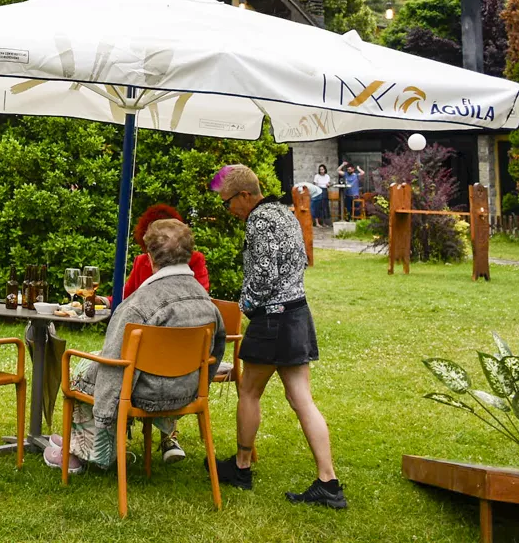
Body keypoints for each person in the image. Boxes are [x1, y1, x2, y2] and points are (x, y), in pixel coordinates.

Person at [210, 164, 346, 509]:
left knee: (249, 391)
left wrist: (246, 303)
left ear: (244, 196)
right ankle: (328, 482)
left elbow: (265, 274)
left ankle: (241, 468)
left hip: (272, 319)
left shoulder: (258, 220)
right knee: (302, 398)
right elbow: (298, 261)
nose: (229, 210)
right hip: (297, 312)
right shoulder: (284, 213)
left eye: (228, 203)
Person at [45, 218, 224, 474]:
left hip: (144, 395)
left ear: (150, 256)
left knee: (85, 371)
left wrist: (106, 417)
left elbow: (115, 360)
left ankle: (86, 452)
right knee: (103, 369)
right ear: (189, 253)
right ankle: (88, 442)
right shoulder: (206, 302)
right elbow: (215, 353)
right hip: (186, 391)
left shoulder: (138, 305)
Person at [122, 205, 210, 298]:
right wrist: (105, 301)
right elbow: (125, 296)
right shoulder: (141, 260)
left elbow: (200, 295)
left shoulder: (195, 259)